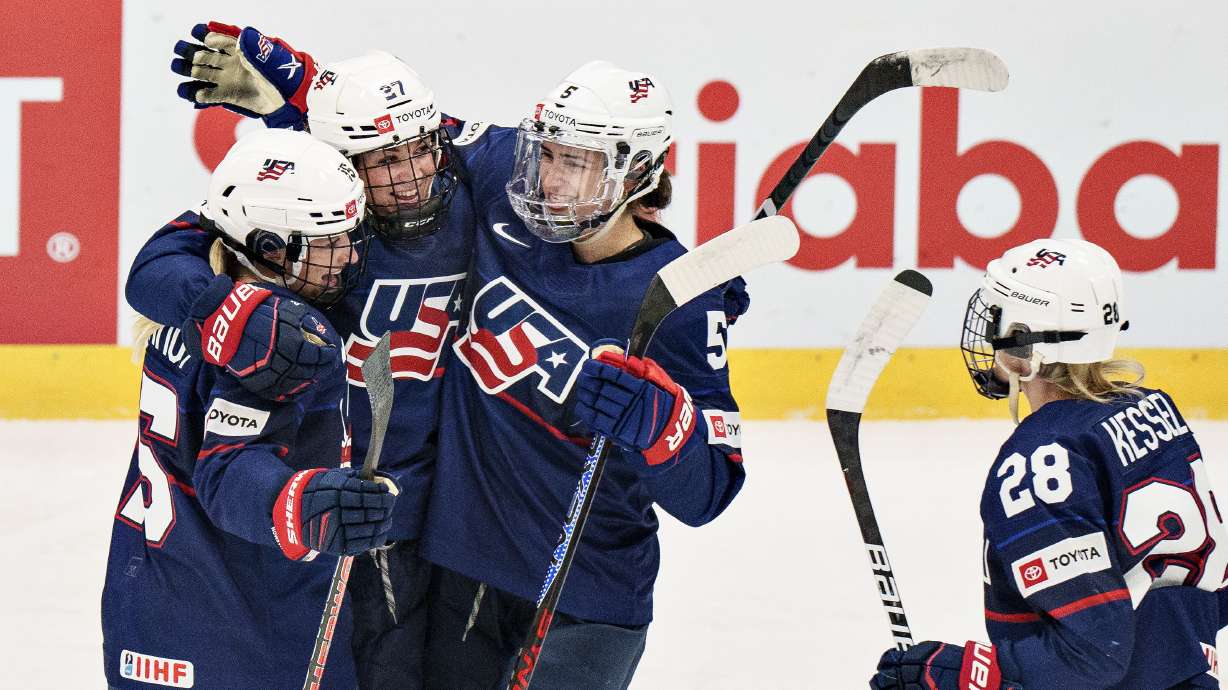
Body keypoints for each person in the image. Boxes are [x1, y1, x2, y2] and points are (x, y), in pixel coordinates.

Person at [127, 28, 479, 688]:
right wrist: (300, 502)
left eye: (417, 150)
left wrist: (307, 85)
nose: (406, 177)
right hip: (303, 533)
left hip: (394, 513)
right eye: (380, 160)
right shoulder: (287, 274)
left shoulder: (465, 186)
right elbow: (154, 272)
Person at [420, 60, 750, 689]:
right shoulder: (503, 187)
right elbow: (403, 135)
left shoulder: (681, 298)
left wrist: (660, 424)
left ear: (637, 172)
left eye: (576, 162)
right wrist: (293, 87)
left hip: (589, 597)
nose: (550, 179)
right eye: (547, 154)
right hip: (464, 570)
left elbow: (711, 492)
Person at [102, 127, 399, 689]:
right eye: (328, 242)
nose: (349, 256)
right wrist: (301, 503)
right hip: (243, 631)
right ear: (268, 248)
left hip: (146, 604)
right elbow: (229, 469)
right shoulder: (281, 338)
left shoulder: (195, 300)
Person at [870, 238, 1223, 689]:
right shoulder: (1153, 410)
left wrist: (970, 676)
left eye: (997, 320)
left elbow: (1096, 655)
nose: (987, 333)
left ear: (1024, 344)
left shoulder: (1041, 462)